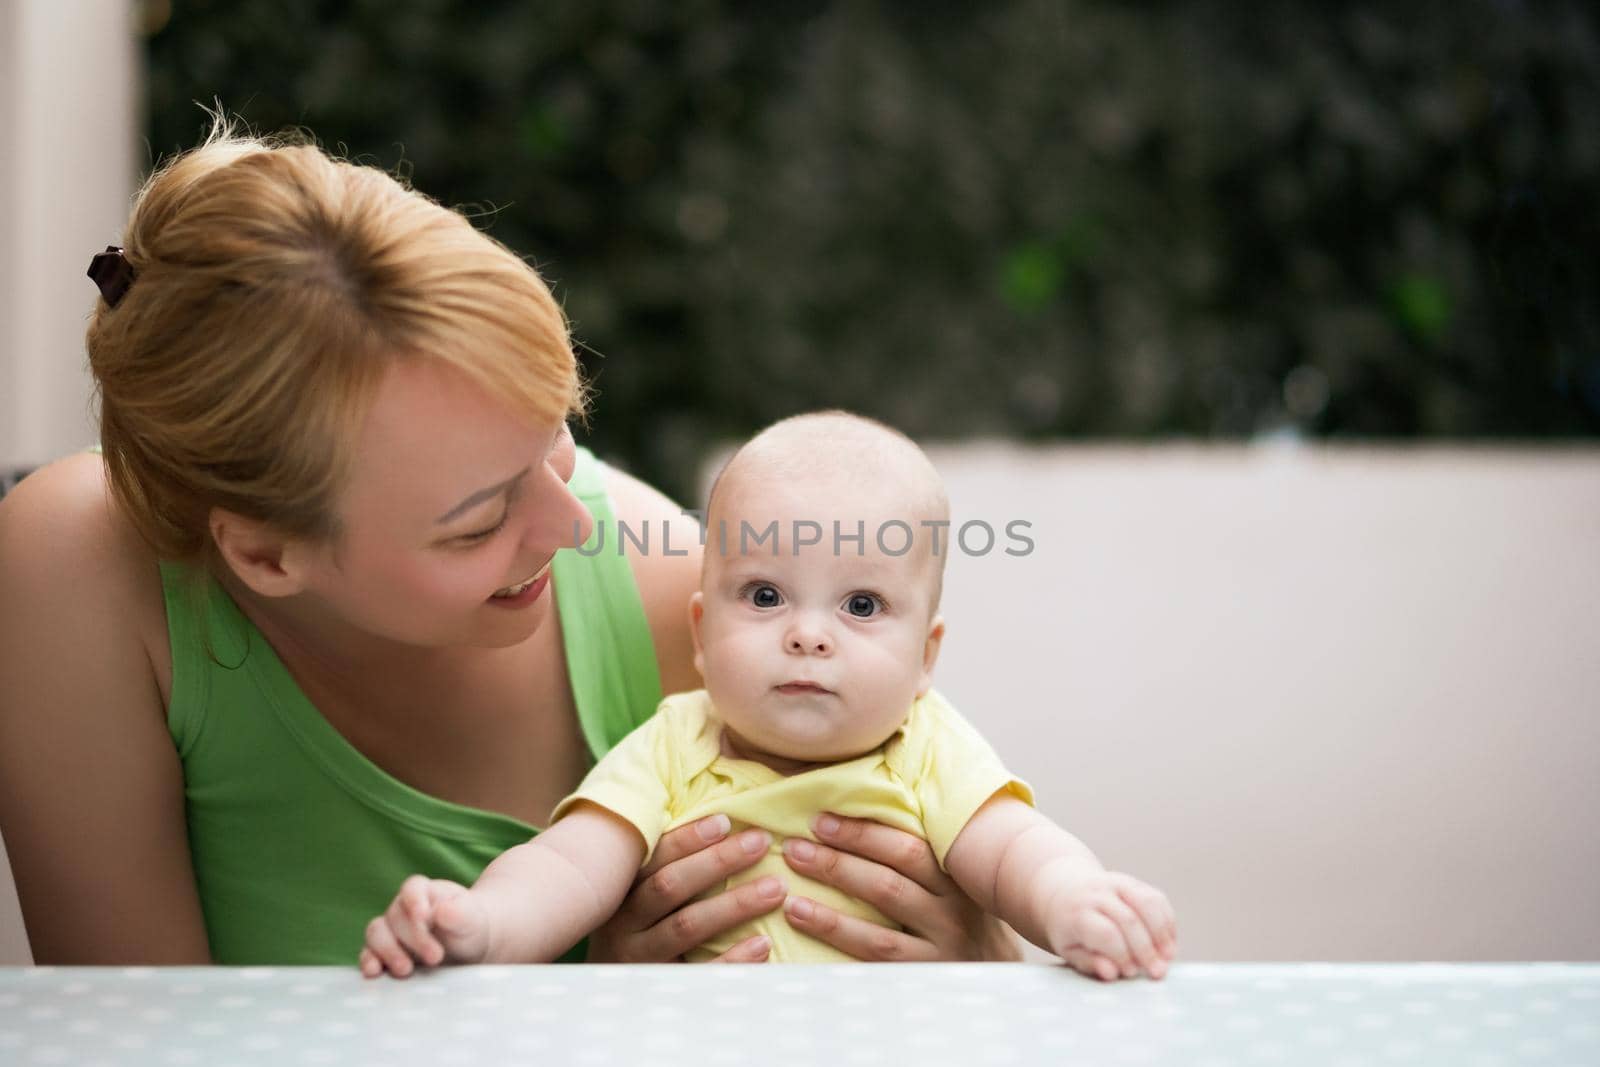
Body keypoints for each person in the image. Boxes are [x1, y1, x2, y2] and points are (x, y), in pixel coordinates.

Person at [0, 121, 1019, 966]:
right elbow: (124, 1039)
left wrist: (971, 957)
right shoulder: (74, 574)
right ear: (265, 556)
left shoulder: (693, 600)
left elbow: (959, 870)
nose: (574, 526)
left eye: (558, 437)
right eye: (479, 521)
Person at [360, 412, 1178, 979]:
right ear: (702, 636)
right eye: (762, 596)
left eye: (860, 606)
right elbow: (568, 866)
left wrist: (1076, 901)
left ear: (926, 657)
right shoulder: (678, 741)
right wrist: (482, 926)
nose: (808, 635)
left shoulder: (927, 746)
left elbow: (1014, 849)